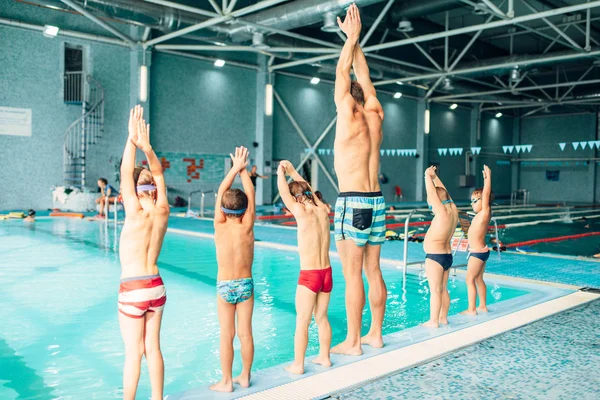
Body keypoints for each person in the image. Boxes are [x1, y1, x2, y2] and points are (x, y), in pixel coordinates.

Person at [331, 3, 387, 356]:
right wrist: (356, 40)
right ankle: (375, 334)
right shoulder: (375, 112)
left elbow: (343, 71)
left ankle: (353, 342)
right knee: (373, 269)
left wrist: (349, 41)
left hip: (352, 202)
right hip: (377, 200)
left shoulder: (347, 115)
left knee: (353, 275)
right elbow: (361, 74)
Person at [117, 105, 170, 400]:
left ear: (135, 189)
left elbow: (126, 170)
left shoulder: (134, 210)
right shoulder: (163, 210)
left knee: (133, 354)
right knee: (154, 348)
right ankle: (158, 398)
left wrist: (130, 139)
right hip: (156, 286)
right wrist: (148, 149)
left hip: (133, 287)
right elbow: (159, 175)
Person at [277, 160, 332, 375]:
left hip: (309, 275)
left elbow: (283, 192)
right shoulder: (322, 209)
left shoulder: (301, 211)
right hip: (326, 273)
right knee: (322, 318)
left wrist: (281, 173)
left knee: (302, 320)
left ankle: (298, 365)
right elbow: (309, 191)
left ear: (296, 199)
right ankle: (325, 358)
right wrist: (294, 172)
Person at [211, 146, 256, 393]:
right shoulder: (247, 225)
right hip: (245, 285)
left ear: (223, 211)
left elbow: (220, 192)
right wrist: (244, 170)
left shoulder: (219, 225)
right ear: (244, 209)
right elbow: (249, 192)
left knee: (226, 334)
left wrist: (234, 168)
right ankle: (245, 376)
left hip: (225, 286)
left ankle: (227, 382)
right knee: (245, 334)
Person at [421, 166, 458, 328]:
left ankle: (433, 321)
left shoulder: (442, 212)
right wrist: (435, 177)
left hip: (435, 257)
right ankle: (443, 317)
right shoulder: (453, 210)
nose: (430, 203)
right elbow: (445, 193)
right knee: (443, 289)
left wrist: (427, 176)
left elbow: (432, 194)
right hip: (447, 257)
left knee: (435, 290)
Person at [462, 165, 493, 316]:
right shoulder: (480, 215)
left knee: (469, 279)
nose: (472, 203)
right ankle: (482, 306)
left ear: (484, 201)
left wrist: (487, 178)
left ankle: (471, 309)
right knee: (479, 279)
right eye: (471, 200)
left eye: (475, 200)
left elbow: (486, 193)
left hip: (477, 253)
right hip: (482, 251)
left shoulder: (485, 212)